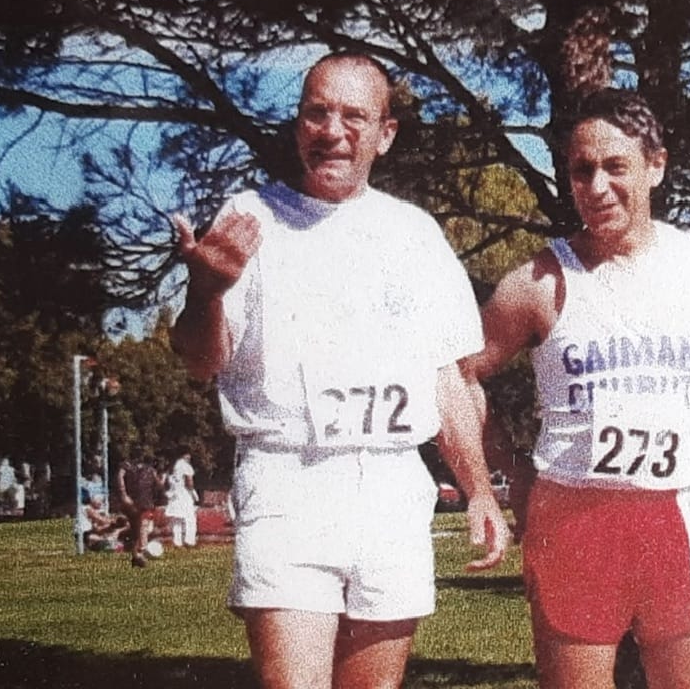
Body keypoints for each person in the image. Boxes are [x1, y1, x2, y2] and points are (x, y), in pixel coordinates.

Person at [170, 52, 509, 689]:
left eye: (354, 116)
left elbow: (448, 379)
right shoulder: (249, 219)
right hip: (287, 481)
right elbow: (200, 362)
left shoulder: (414, 234)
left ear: (385, 134)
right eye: (316, 113)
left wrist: (480, 490)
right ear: (298, 125)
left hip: (390, 488)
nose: (332, 131)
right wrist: (207, 291)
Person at [464, 88, 690, 689]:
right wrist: (508, 475)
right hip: (575, 519)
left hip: (680, 513)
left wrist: (681, 435)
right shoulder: (539, 280)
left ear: (656, 166)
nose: (597, 187)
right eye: (582, 170)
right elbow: (458, 374)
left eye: (615, 167)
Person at [116, 452, 164, 568]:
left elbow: (120, 477)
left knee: (138, 527)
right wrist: (163, 478)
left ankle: (136, 555)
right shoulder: (147, 469)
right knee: (142, 526)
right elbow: (159, 485)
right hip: (142, 501)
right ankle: (141, 551)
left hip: (136, 500)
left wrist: (123, 495)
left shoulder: (129, 467)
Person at [165, 447, 199, 548]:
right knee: (190, 518)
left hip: (175, 494)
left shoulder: (173, 467)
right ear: (185, 455)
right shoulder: (186, 466)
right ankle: (189, 540)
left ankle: (177, 542)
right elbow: (189, 481)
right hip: (185, 494)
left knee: (177, 519)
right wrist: (193, 492)